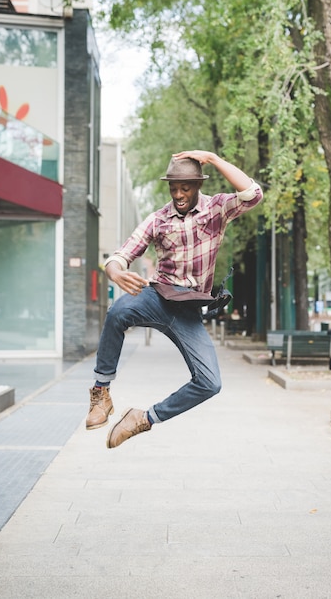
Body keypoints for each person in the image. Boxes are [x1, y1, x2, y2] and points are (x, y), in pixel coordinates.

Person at [86, 150, 263, 449]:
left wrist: (215, 160)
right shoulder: (158, 220)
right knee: (118, 311)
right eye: (173, 188)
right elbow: (123, 253)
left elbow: (253, 194)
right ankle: (101, 393)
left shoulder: (217, 208)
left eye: (185, 188)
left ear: (197, 185)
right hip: (158, 296)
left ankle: (143, 418)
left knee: (210, 383)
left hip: (188, 309)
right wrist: (113, 270)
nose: (178, 194)